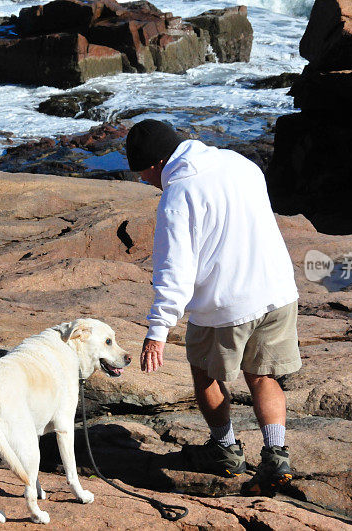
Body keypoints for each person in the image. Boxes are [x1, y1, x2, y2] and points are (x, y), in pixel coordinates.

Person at [125, 119, 301, 496]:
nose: (143, 180)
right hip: (277, 290)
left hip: (227, 303)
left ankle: (225, 449)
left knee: (204, 373)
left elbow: (175, 271)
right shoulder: (239, 163)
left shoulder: (178, 195)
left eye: (141, 173)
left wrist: (157, 332)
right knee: (263, 375)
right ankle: (276, 457)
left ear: (155, 164)